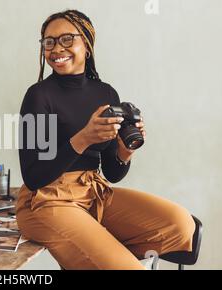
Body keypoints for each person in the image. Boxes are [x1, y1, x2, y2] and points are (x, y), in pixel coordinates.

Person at [16, 9, 195, 270]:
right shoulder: (38, 96)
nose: (56, 48)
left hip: (94, 192)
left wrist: (124, 153)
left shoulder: (105, 93)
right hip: (46, 199)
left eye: (67, 39)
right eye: (49, 41)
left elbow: (112, 173)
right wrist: (83, 139)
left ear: (86, 45)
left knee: (180, 225)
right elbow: (33, 176)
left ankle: (99, 256)